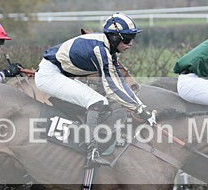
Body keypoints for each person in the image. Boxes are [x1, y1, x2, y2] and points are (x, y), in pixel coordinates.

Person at [34, 13, 153, 166]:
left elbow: (120, 82)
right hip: (50, 75)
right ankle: (92, 152)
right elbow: (112, 88)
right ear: (115, 38)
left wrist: (141, 107)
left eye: (132, 39)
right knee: (97, 101)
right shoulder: (100, 51)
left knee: (101, 101)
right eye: (128, 39)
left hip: (60, 73)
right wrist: (140, 110)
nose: (131, 44)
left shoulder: (108, 49)